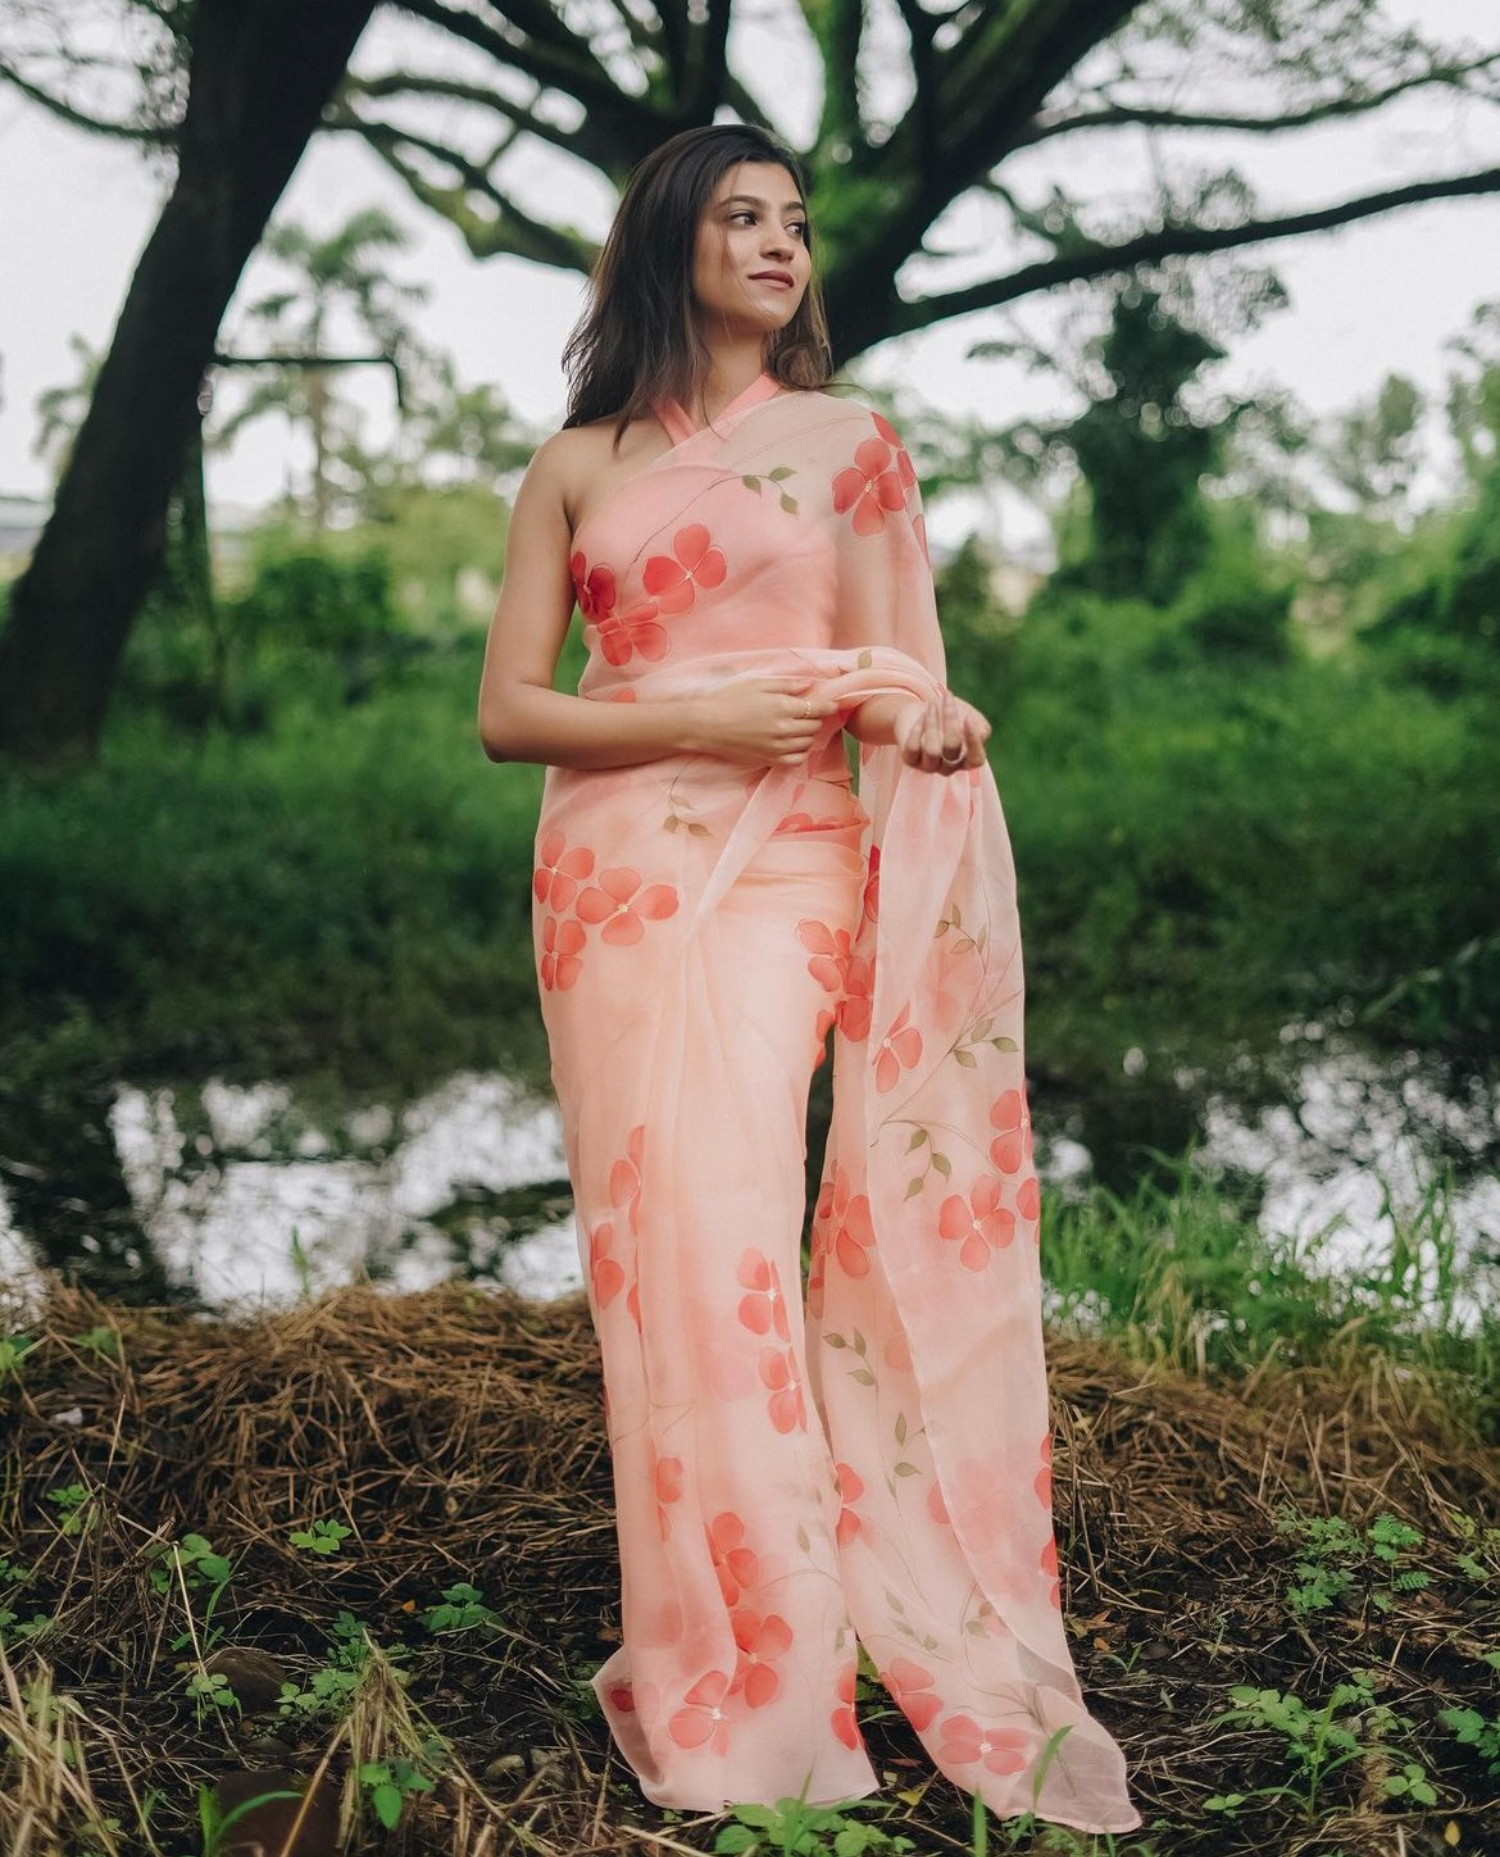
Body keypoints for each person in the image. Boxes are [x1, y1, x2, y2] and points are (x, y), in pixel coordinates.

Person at [477, 123, 1142, 1835]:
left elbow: (892, 668)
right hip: (613, 877)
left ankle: (791, 1670)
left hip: (784, 867)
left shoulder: (853, 444)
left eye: (795, 220)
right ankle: (726, 1659)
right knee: (663, 1259)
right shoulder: (576, 464)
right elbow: (512, 713)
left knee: (736, 1237)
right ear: (667, 247)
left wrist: (926, 715)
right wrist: (699, 711)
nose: (781, 244)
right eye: (741, 216)